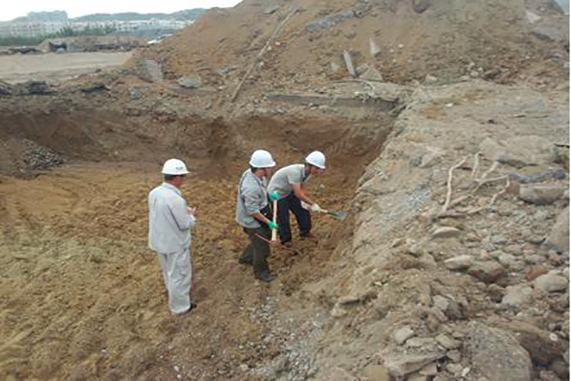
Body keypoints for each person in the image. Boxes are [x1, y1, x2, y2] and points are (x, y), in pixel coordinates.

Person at [148, 158, 197, 315]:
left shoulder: (154, 193)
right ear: (176, 178)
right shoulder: (175, 199)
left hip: (160, 241)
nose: (184, 180)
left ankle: (174, 297)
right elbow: (185, 224)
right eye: (183, 177)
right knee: (179, 276)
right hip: (176, 244)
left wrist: (183, 210)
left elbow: (164, 212)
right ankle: (181, 307)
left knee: (168, 272)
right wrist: (192, 216)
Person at [236, 150, 279, 282]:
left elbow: (260, 193)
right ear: (261, 168)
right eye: (269, 168)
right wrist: (268, 222)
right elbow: (253, 211)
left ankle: (246, 258)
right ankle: (261, 273)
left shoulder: (253, 174)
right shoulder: (250, 188)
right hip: (252, 221)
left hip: (261, 210)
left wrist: (268, 196)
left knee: (258, 239)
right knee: (262, 248)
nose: (271, 170)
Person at [268, 151, 326, 246]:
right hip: (276, 194)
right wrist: (313, 204)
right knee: (283, 216)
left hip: (288, 190)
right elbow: (298, 193)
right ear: (309, 165)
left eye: (319, 168)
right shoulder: (295, 172)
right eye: (317, 168)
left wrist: (304, 202)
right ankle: (286, 239)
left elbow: (301, 186)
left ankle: (305, 231)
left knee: (302, 210)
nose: (318, 171)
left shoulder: (308, 173)